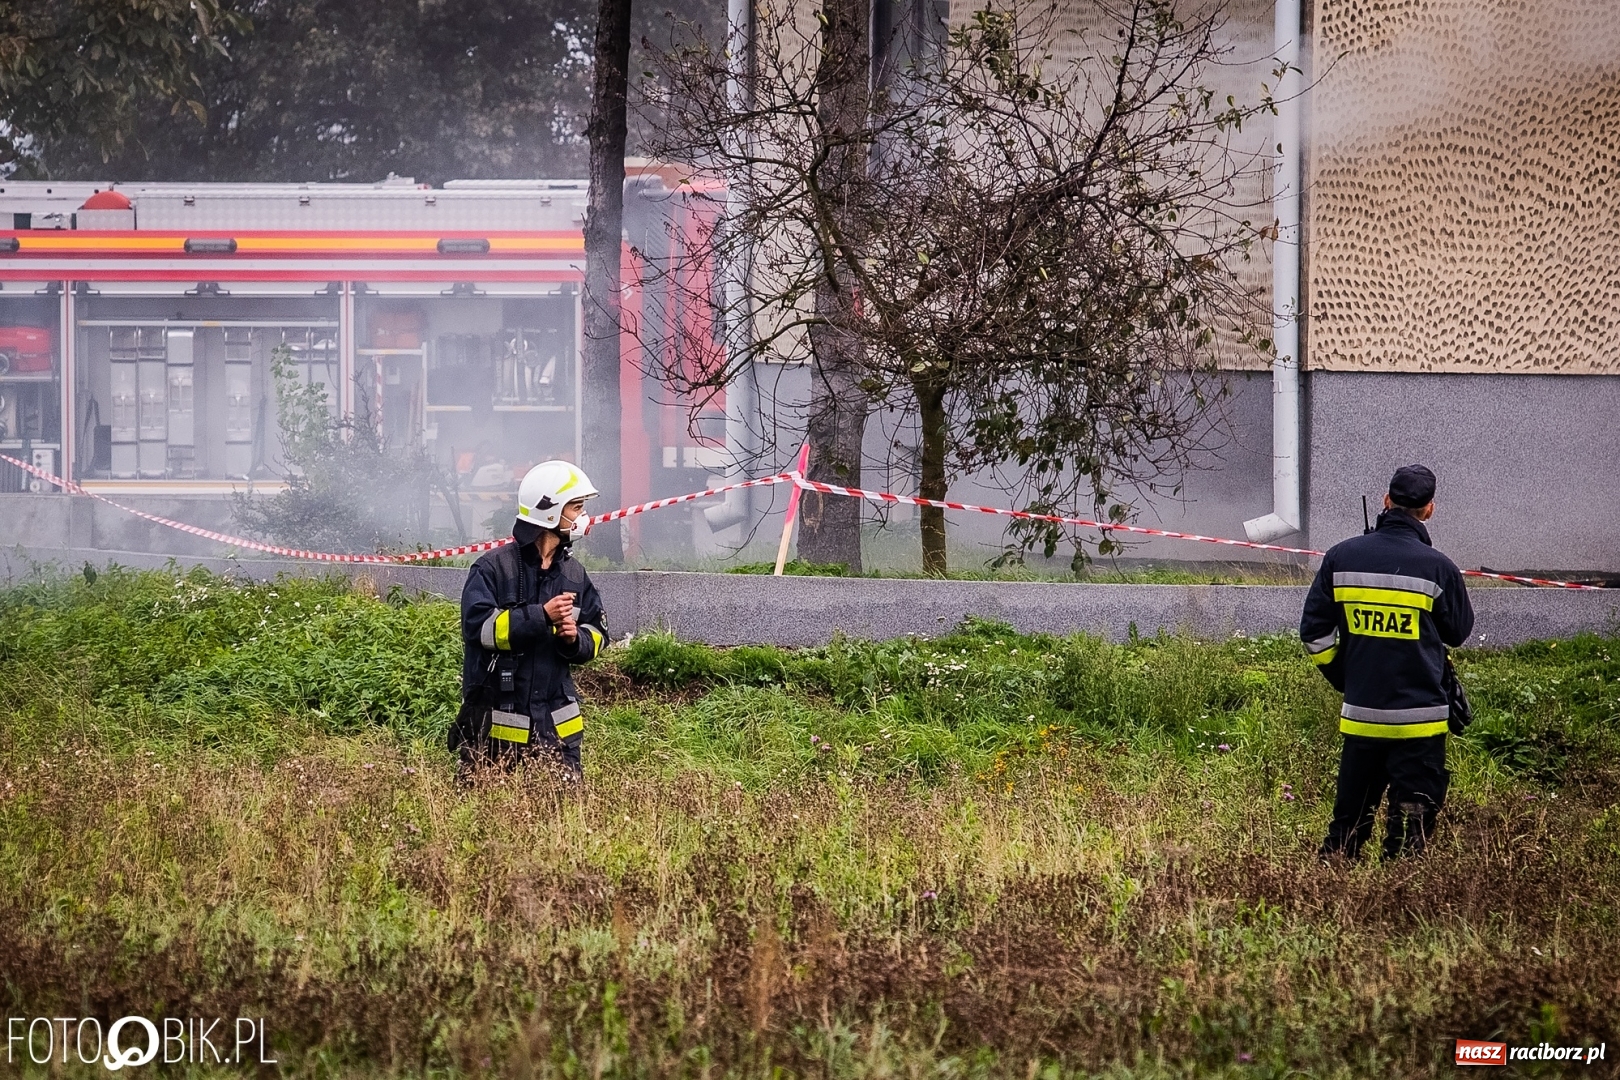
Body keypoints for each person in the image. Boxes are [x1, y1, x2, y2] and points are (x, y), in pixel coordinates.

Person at [1301, 464, 1475, 860]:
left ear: (1385, 502)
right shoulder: (1439, 568)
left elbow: (1314, 634)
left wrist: (1346, 676)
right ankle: (1398, 905)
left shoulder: (1340, 558)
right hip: (1421, 722)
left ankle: (1328, 890)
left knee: (1345, 831)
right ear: (1429, 509)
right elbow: (1458, 633)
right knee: (1410, 838)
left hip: (1362, 717)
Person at [451, 460, 609, 779]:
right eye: (576, 507)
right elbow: (478, 627)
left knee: (564, 823)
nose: (583, 517)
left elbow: (600, 634)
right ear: (549, 511)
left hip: (558, 738)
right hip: (495, 738)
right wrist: (541, 615)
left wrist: (574, 639)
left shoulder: (575, 576)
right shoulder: (493, 569)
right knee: (490, 820)